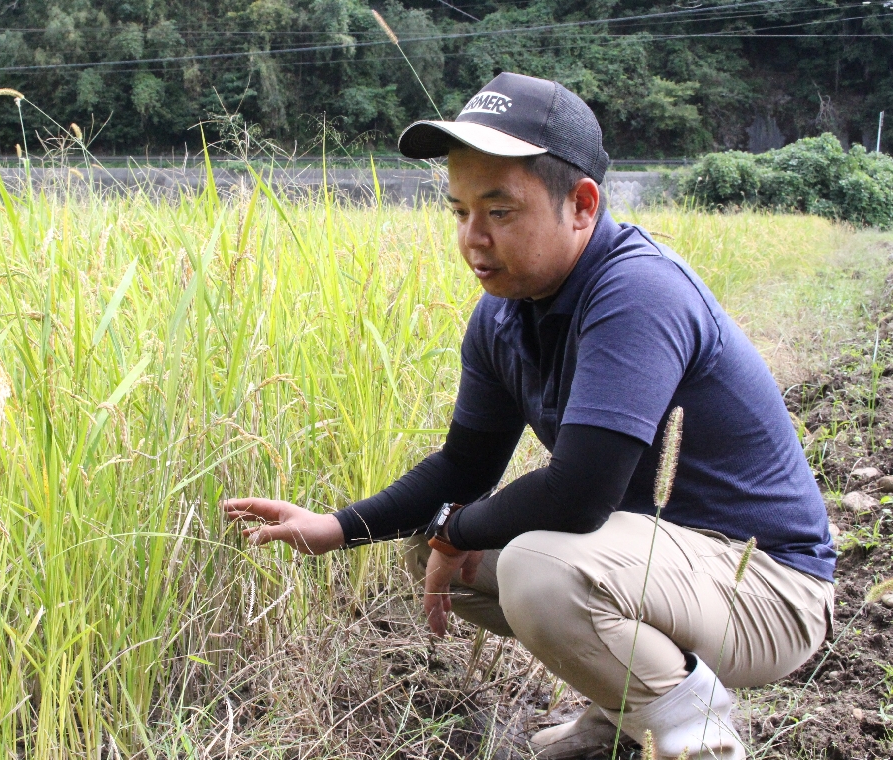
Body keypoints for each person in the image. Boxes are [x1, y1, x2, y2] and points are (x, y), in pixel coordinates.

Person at [223, 72, 834, 760]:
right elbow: (465, 466)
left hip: (768, 588)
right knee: (444, 557)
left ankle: (698, 741)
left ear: (580, 205)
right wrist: (336, 528)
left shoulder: (638, 291)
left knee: (537, 570)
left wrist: (457, 526)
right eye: (458, 212)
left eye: (500, 211)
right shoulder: (503, 314)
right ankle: (628, 718)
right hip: (658, 569)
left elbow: (580, 493)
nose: (473, 239)